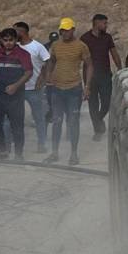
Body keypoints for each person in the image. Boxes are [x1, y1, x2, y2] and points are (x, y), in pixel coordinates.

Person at [43, 18, 90, 165]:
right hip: (57, 89)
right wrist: (48, 76)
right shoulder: (56, 45)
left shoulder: (81, 46)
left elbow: (90, 65)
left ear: (73, 29)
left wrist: (87, 86)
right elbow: (51, 61)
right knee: (57, 121)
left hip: (74, 89)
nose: (65, 33)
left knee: (73, 122)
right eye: (63, 30)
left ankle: (74, 154)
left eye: (68, 30)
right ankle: (55, 152)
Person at [0, 29, 32, 159]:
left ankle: (19, 155)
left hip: (15, 96)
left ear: (16, 40)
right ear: (1, 40)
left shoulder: (23, 54)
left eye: (11, 40)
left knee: (17, 126)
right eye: (5, 40)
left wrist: (15, 86)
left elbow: (28, 72)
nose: (8, 43)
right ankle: (2, 150)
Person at [81, 13, 122, 139]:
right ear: (96, 23)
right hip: (90, 76)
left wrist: (120, 68)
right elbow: (79, 56)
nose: (106, 25)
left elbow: (114, 53)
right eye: (104, 23)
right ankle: (98, 131)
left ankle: (98, 120)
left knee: (107, 102)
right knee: (93, 104)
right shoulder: (85, 38)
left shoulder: (107, 37)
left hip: (105, 74)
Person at [14, 22, 51, 154]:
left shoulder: (37, 47)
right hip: (18, 88)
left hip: (34, 88)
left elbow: (48, 62)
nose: (14, 34)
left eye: (15, 31)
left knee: (39, 117)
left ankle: (42, 144)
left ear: (22, 32)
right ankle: (14, 146)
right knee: (14, 117)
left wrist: (43, 78)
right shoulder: (15, 47)